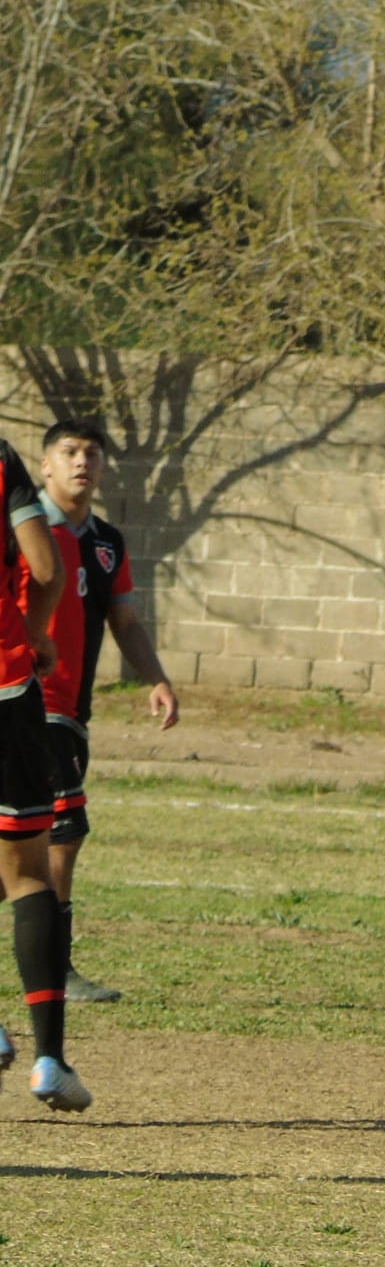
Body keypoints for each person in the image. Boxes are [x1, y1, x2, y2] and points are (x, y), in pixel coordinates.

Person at [23, 420, 180, 1003]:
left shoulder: (107, 542)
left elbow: (125, 622)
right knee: (64, 828)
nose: (81, 462)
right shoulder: (24, 532)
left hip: (71, 711)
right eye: (68, 452)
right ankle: (54, 969)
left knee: (30, 838)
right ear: (45, 465)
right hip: (27, 705)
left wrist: (157, 679)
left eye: (91, 453)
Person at [0, 436, 92, 1111]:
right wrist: (31, 632)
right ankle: (50, 1061)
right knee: (27, 869)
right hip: (7, 687)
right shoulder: (1, 458)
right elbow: (45, 562)